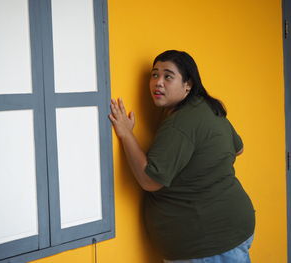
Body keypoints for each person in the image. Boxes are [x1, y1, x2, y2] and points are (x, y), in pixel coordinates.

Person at [108, 50, 255, 263]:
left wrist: (125, 133)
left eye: (168, 76)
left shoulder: (180, 124)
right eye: (154, 74)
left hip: (211, 244)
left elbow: (150, 180)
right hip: (232, 230)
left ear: (188, 85)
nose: (158, 82)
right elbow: (238, 148)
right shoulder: (208, 108)